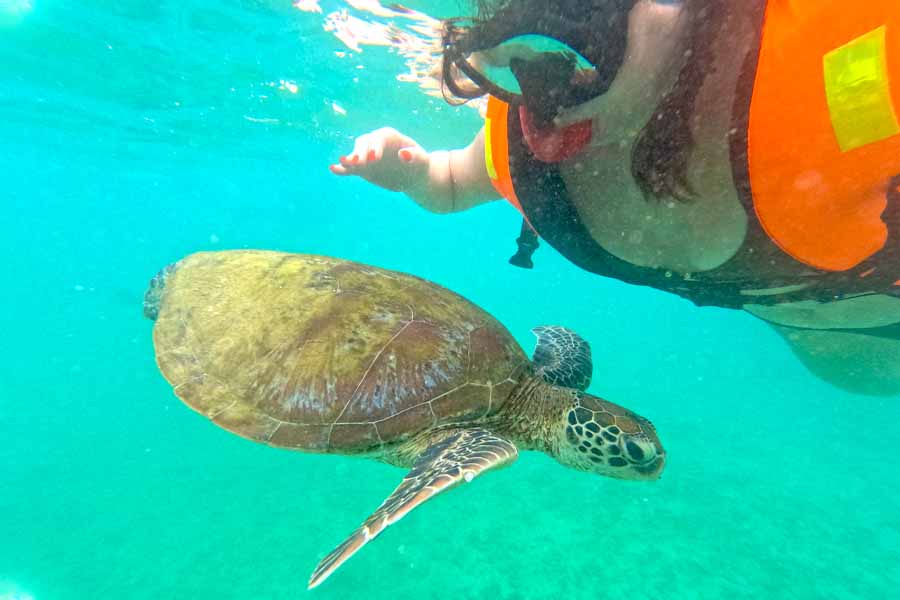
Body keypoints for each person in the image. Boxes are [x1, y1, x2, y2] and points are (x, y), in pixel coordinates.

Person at [329, 0, 900, 396]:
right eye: (514, 65)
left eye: (580, 53)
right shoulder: (525, 144)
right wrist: (411, 172)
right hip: (821, 333)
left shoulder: (851, 81)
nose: (543, 112)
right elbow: (453, 182)